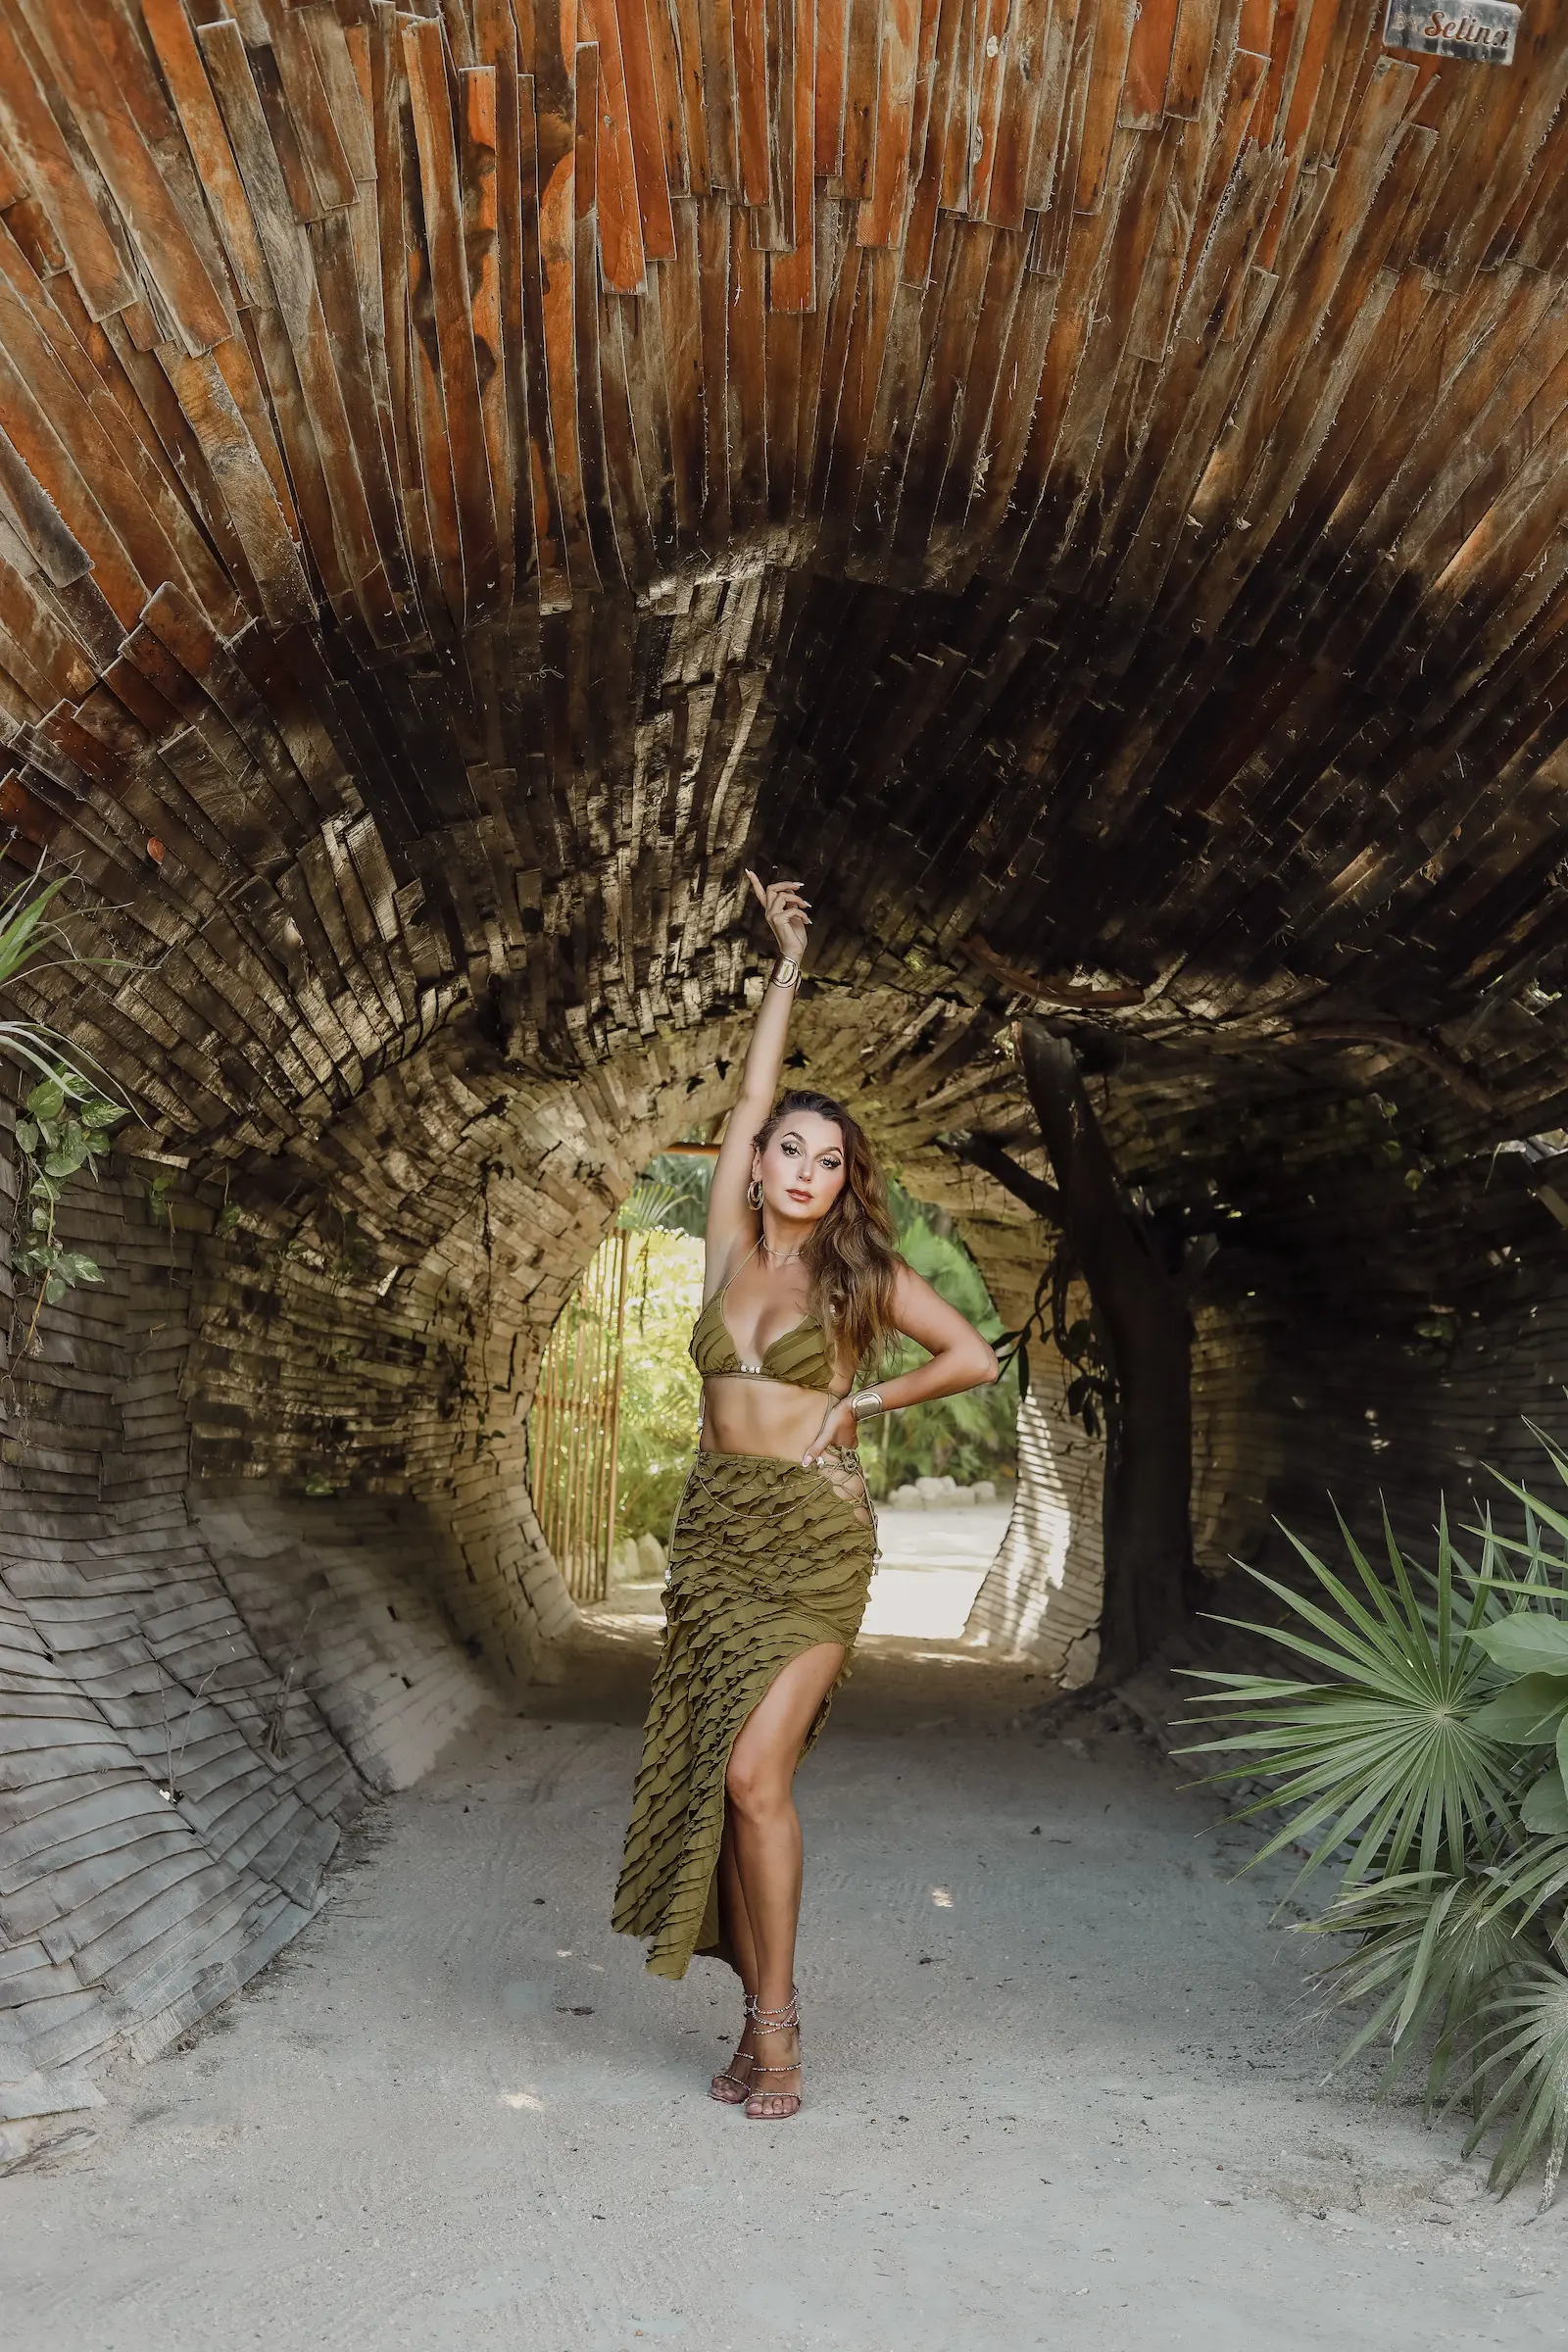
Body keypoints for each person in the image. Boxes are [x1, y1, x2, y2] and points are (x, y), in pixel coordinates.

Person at [612, 870, 1001, 2120]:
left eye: (829, 1160)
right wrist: (783, 964)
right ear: (765, 1158)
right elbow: (746, 1095)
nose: (802, 1166)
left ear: (844, 1184)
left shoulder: (861, 1276)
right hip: (716, 1534)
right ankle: (750, 2023)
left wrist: (858, 1405)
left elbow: (972, 1358)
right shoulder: (728, 1245)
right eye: (791, 1146)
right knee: (717, 1783)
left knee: (752, 1778)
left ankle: (777, 2033)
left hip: (813, 1540)